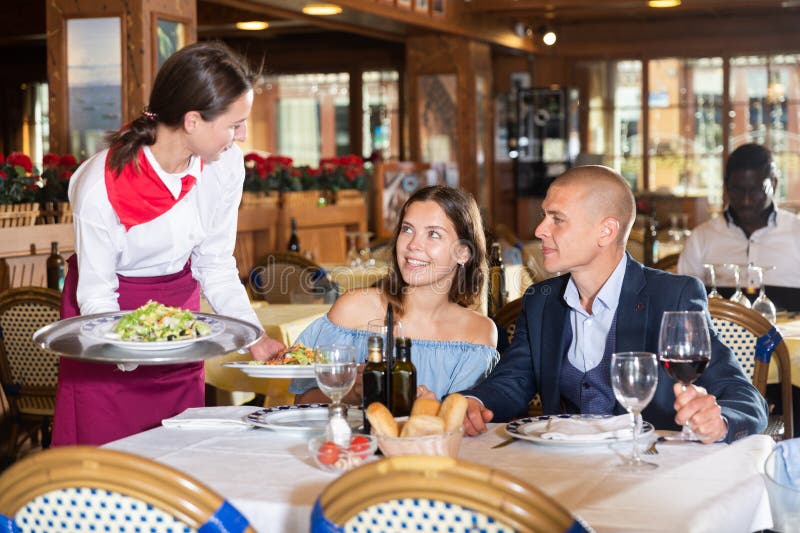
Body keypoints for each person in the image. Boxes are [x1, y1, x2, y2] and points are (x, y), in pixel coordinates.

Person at [54, 42, 285, 446]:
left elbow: (214, 263)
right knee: (110, 467)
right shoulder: (100, 183)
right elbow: (96, 291)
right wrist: (134, 351)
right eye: (235, 124)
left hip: (179, 324)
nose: (242, 135)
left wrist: (254, 336)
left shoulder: (226, 165)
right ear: (193, 120)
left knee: (179, 455)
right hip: (109, 325)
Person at [461, 166, 767, 444]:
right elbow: (513, 381)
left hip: (650, 473)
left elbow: (744, 397)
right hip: (560, 470)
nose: (540, 230)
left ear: (606, 231)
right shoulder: (541, 301)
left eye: (557, 219)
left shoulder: (672, 295)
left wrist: (721, 420)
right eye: (544, 216)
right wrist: (475, 403)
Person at [282, 185, 499, 404]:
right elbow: (302, 400)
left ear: (463, 252)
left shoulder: (478, 332)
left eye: (433, 234)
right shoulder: (354, 309)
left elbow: (464, 421)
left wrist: (433, 407)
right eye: (407, 229)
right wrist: (354, 393)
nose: (413, 244)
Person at [678, 143, 800, 308]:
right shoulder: (701, 238)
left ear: (775, 184)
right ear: (726, 186)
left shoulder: (796, 232)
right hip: (721, 332)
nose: (746, 200)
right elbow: (684, 304)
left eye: (756, 190)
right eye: (737, 190)